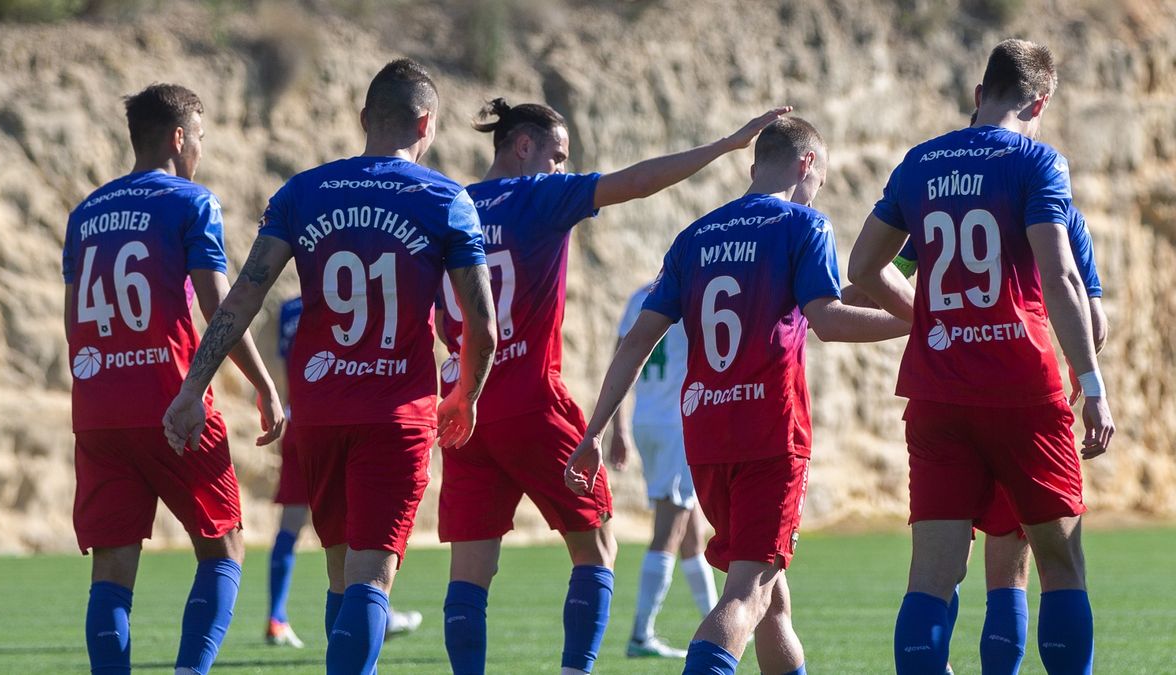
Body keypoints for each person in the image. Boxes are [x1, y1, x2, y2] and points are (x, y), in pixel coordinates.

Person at [162, 59, 497, 673]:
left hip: (317, 414)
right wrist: (466, 396)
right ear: (427, 121)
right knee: (372, 577)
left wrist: (193, 386)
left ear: (364, 117)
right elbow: (485, 328)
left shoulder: (301, 192)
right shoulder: (446, 200)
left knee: (340, 574)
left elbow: (241, 298)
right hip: (395, 416)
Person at [434, 97, 789, 675]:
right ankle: (577, 670)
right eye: (557, 156)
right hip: (531, 400)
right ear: (522, 146)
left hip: (464, 404)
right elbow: (638, 182)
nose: (560, 169)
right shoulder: (539, 194)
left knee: (469, 570)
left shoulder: (450, 206)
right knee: (596, 544)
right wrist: (725, 145)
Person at [566, 116, 910, 675]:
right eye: (818, 179)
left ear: (754, 167)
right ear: (807, 165)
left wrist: (594, 430)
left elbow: (634, 342)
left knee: (772, 602)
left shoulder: (693, 237)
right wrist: (918, 322)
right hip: (769, 432)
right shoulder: (804, 225)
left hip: (705, 435)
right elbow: (829, 320)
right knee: (747, 593)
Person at [847, 39, 1114, 673]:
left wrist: (931, 318)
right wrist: (1093, 383)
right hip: (1020, 387)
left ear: (978, 93)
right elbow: (1061, 278)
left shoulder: (920, 162)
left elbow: (862, 268)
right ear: (1040, 101)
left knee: (932, 577)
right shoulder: (1037, 163)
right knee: (1058, 562)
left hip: (938, 392)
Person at [63, 83, 284, 675]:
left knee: (111, 568)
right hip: (171, 403)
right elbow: (222, 309)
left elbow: (72, 324)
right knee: (224, 549)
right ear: (180, 137)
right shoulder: (191, 201)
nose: (201, 154)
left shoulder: (85, 213)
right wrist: (264, 384)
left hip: (100, 411)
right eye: (201, 140)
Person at [264, 296, 423, 649]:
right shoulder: (360, 293)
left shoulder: (289, 310)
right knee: (362, 527)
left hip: (301, 419)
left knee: (293, 524)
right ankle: (371, 609)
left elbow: (278, 366)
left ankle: (277, 617)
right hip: (349, 418)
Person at [608, 285, 718, 659]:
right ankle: (641, 634)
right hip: (677, 424)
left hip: (645, 421)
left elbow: (622, 357)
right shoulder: (692, 296)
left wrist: (617, 427)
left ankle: (717, 620)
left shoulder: (638, 296)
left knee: (691, 534)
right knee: (669, 530)